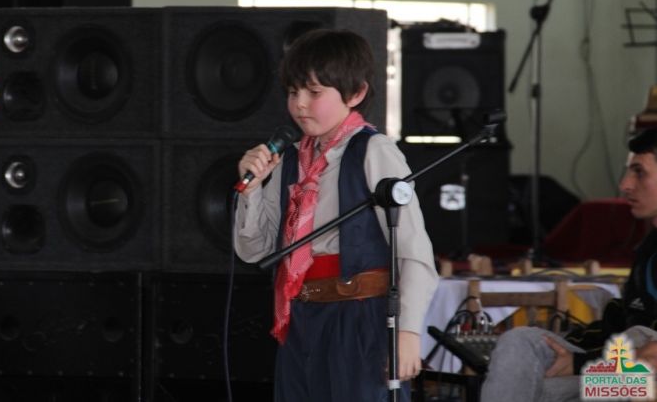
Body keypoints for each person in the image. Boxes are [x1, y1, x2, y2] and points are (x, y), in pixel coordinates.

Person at [233, 28, 438, 402]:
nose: (300, 104)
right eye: (292, 92)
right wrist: (254, 189)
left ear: (355, 93)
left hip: (358, 319)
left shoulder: (373, 150)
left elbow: (413, 249)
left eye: (314, 92)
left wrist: (408, 332)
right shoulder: (290, 159)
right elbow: (255, 250)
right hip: (300, 317)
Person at [480, 127, 657, 401]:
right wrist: (568, 350)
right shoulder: (649, 248)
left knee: (640, 341)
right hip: (614, 365)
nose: (625, 184)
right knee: (522, 342)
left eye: (639, 172)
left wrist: (579, 363)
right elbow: (619, 324)